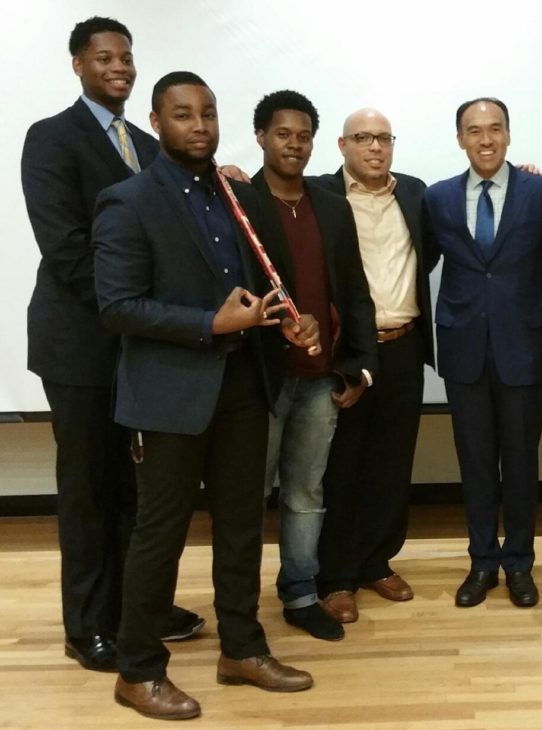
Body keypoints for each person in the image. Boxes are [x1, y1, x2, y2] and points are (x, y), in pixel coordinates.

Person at [93, 71, 317, 720]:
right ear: (157, 122)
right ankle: (137, 672)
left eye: (208, 113)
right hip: (170, 398)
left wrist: (281, 319)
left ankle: (241, 649)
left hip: (245, 385)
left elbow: (252, 289)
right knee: (158, 536)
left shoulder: (234, 194)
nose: (200, 125)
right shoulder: (127, 200)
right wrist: (210, 325)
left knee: (243, 527)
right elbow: (118, 307)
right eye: (184, 115)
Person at [20, 16, 203, 673]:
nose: (119, 66)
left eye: (126, 56)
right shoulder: (51, 139)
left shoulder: (151, 148)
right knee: (90, 490)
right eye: (105, 57)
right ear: (78, 65)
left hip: (140, 349)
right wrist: (132, 309)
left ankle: (140, 610)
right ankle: (88, 625)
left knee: (139, 490)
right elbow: (66, 250)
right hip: (82, 347)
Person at [424, 97, 542, 608]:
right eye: (474, 131)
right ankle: (482, 562)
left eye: (495, 129)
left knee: (522, 463)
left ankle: (519, 563)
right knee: (476, 462)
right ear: (460, 138)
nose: (485, 139)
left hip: (523, 347)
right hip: (464, 347)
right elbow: (416, 258)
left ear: (508, 134)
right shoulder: (437, 198)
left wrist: (520, 279)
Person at [251, 90, 377, 641]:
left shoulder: (330, 203)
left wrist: (357, 367)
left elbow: (355, 292)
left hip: (320, 380)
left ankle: (301, 593)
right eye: (283, 134)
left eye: (303, 136)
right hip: (259, 382)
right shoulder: (238, 202)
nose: (294, 145)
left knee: (306, 495)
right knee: (246, 497)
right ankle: (237, 601)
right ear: (261, 137)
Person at [315, 108, 439, 624]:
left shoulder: (414, 192)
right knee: (341, 466)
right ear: (342, 144)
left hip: (404, 345)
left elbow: (435, 247)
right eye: (364, 138)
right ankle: (337, 576)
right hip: (348, 349)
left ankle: (376, 561)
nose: (375, 148)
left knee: (392, 463)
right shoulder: (320, 194)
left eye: (384, 138)